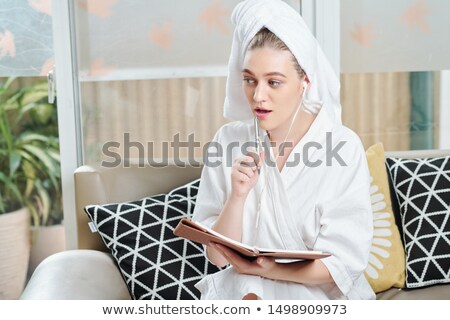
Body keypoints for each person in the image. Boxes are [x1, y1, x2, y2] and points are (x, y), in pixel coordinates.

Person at [192, 0, 375, 300]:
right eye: (249, 80)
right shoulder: (227, 141)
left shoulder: (342, 146)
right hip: (244, 290)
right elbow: (218, 257)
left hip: (318, 294)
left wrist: (266, 269)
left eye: (274, 82)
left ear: (304, 81)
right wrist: (237, 196)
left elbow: (342, 265)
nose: (258, 96)